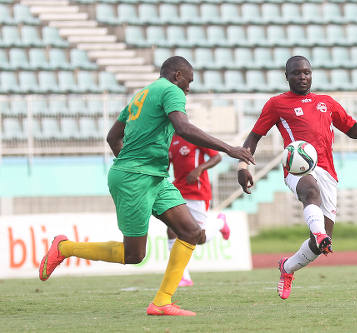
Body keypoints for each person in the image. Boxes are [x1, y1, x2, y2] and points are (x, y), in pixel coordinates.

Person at [38, 56, 254, 316]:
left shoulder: (142, 94)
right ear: (177, 76)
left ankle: (162, 302)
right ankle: (64, 248)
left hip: (155, 177)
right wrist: (229, 148)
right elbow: (183, 128)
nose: (188, 89)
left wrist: (135, 161)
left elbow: (112, 137)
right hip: (135, 178)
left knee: (191, 232)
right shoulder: (171, 91)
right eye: (188, 82)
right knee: (134, 255)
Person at [237, 56, 357, 300]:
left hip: (327, 171)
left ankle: (287, 267)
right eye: (297, 73)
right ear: (286, 76)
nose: (303, 77)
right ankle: (319, 233)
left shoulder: (327, 102)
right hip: (297, 167)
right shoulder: (277, 104)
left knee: (320, 244)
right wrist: (242, 166)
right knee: (310, 192)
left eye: (307, 72)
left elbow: (352, 129)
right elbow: (254, 137)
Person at [167, 133, 230, 287]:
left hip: (198, 193)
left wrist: (199, 169)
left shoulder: (193, 135)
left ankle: (220, 223)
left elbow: (217, 157)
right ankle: (183, 276)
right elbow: (167, 164)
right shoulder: (168, 139)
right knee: (171, 231)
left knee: (198, 237)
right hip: (177, 191)